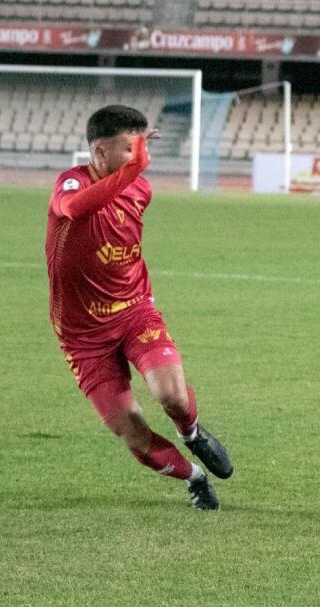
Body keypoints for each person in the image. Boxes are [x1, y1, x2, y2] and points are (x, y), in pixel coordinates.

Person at [46, 105, 232, 510]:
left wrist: (130, 169)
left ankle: (193, 433)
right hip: (83, 336)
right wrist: (132, 168)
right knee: (131, 431)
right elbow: (77, 211)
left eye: (140, 148)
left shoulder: (140, 190)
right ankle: (194, 478)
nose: (138, 158)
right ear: (99, 153)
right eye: (129, 149)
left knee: (174, 397)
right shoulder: (69, 186)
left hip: (133, 310)